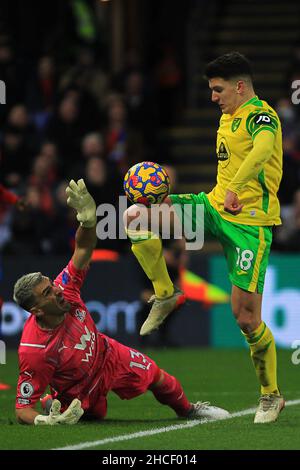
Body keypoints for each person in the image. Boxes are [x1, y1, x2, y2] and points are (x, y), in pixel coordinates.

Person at [124, 52, 284, 424]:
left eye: (218, 89)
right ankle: (165, 293)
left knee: (245, 318)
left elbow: (261, 150)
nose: (213, 97)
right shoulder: (226, 117)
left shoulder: (263, 115)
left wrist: (239, 187)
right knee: (132, 216)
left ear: (240, 87)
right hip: (212, 208)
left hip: (250, 225)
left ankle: (270, 394)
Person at [13, 179, 229, 425]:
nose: (56, 291)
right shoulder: (34, 351)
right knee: (94, 416)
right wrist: (43, 421)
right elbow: (22, 409)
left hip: (108, 354)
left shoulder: (65, 288)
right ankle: (52, 403)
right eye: (47, 293)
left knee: (157, 375)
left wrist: (87, 221)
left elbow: (83, 248)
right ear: (36, 310)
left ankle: (189, 411)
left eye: (51, 285)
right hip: (78, 388)